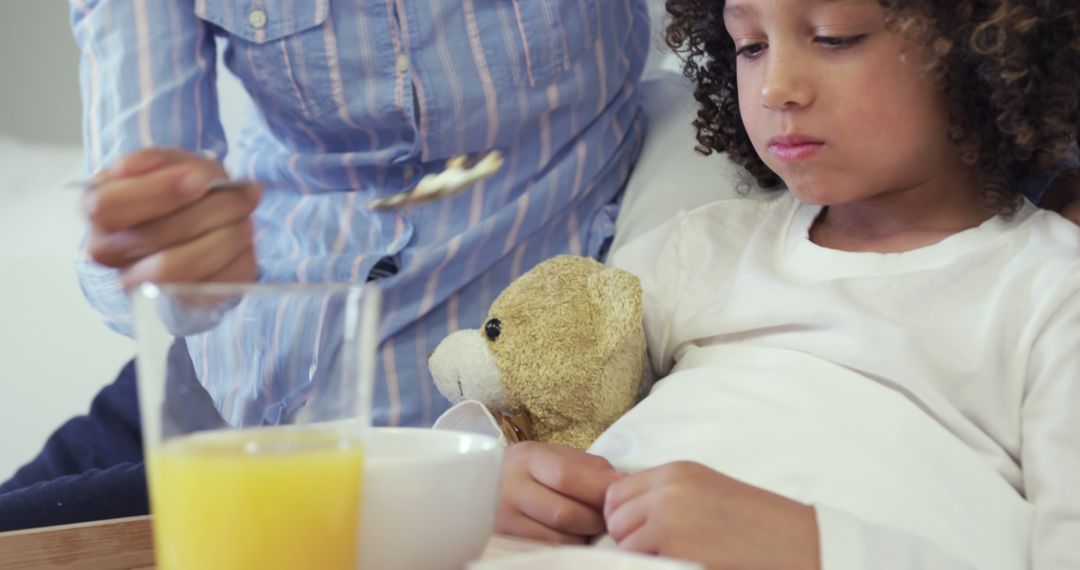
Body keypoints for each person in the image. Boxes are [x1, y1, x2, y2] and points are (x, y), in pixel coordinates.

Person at [0, 0, 651, 531]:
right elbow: (133, 252)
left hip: (441, 430)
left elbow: (743, 47)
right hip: (220, 380)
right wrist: (161, 250)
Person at [495, 0, 1080, 568]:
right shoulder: (699, 249)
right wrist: (503, 479)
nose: (777, 87)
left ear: (984, 49)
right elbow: (542, 394)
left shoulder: (1051, 289)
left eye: (834, 37)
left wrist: (813, 547)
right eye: (751, 46)